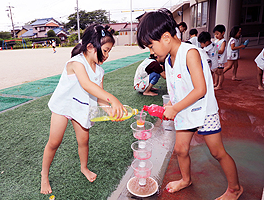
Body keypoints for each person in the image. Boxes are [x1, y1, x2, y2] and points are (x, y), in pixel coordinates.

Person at [137, 8, 243, 200]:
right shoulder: (169, 59)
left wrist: (175, 108)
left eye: (151, 46)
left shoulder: (190, 53)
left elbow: (200, 89)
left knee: (217, 152)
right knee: (180, 149)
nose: (152, 52)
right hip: (185, 111)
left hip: (204, 111)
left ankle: (235, 188)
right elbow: (178, 88)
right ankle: (186, 180)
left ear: (166, 37)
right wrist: (172, 107)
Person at [40, 24, 127, 194]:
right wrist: (113, 99)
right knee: (54, 142)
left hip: (81, 108)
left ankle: (84, 168)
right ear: (90, 47)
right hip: (64, 106)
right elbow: (87, 85)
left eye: (109, 51)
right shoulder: (76, 62)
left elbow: (100, 98)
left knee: (84, 141)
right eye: (106, 50)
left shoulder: (99, 71)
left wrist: (110, 111)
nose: (107, 55)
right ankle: (44, 175)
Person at [213, 24, 227, 90]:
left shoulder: (223, 41)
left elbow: (221, 51)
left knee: (220, 72)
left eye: (217, 34)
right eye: (215, 34)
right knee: (216, 71)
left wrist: (214, 51)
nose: (216, 36)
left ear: (223, 33)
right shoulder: (216, 41)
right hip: (216, 59)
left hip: (220, 59)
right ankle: (216, 83)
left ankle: (220, 85)